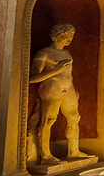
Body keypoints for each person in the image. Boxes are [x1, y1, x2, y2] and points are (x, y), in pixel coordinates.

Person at [30, 24, 89, 166]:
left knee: (74, 118)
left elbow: (68, 74)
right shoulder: (43, 54)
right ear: (55, 36)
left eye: (71, 37)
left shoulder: (67, 53)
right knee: (48, 121)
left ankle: (73, 151)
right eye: (65, 37)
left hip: (69, 90)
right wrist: (55, 71)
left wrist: (74, 89)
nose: (69, 40)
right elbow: (33, 77)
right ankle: (45, 155)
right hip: (52, 89)